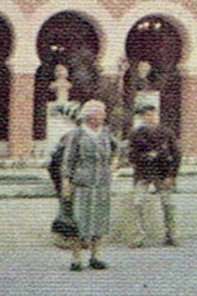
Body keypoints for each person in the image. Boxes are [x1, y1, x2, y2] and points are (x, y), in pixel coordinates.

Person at [59, 98, 117, 271]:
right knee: (79, 220)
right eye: (99, 113)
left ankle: (96, 256)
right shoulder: (77, 134)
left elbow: (117, 149)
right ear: (90, 116)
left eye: (103, 114)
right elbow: (68, 159)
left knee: (100, 219)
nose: (102, 117)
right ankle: (76, 258)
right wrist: (66, 181)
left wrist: (114, 163)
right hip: (82, 182)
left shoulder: (106, 133)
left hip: (102, 182)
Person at [127, 103, 180, 247]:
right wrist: (145, 157)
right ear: (142, 117)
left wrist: (172, 175)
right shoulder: (136, 133)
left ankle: (172, 235)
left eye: (153, 115)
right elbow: (132, 155)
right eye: (147, 115)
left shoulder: (166, 132)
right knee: (137, 203)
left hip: (163, 172)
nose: (151, 118)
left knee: (169, 204)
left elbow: (176, 154)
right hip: (143, 172)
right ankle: (139, 237)